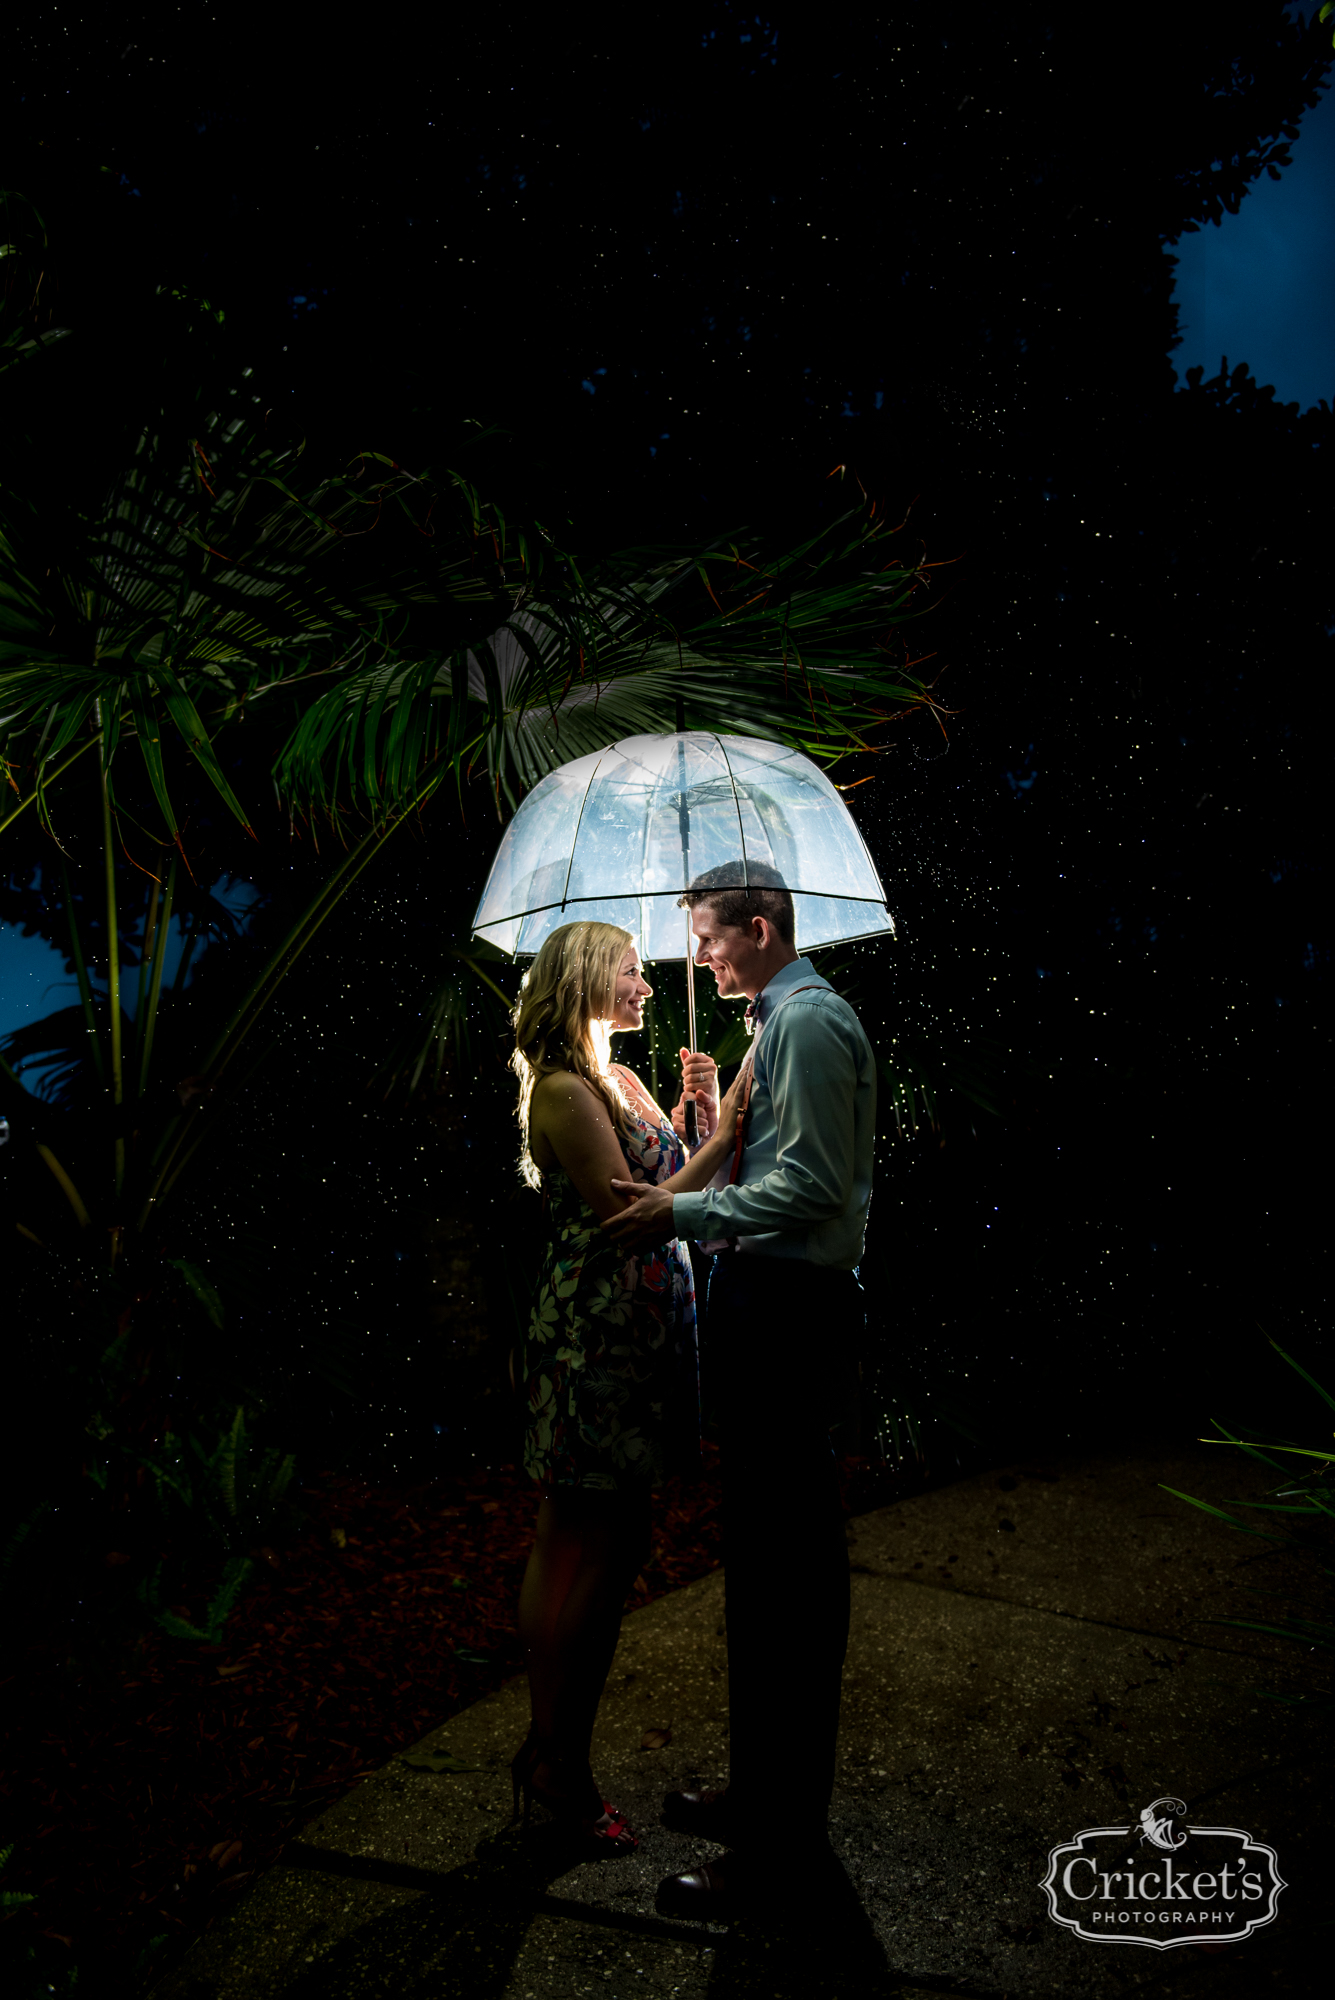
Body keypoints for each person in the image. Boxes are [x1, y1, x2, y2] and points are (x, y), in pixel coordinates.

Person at [602, 862, 876, 1914]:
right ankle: (765, 1798)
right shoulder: (783, 1022)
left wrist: (678, 1217)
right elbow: (763, 1163)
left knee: (787, 1579)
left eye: (709, 937)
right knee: (765, 1567)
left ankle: (781, 1852)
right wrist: (711, 1127)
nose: (696, 956)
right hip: (775, 1301)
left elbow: (806, 1188)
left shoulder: (806, 1023)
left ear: (758, 927)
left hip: (790, 1307)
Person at [509, 919, 748, 1852]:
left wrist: (704, 1111)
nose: (646, 984)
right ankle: (552, 1759)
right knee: (584, 1537)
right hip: (595, 1339)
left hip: (643, 1334)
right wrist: (725, 1131)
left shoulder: (623, 1079)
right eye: (628, 969)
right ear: (583, 979)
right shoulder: (567, 1092)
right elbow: (640, 1220)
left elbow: (678, 1176)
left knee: (608, 1535)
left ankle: (550, 1754)